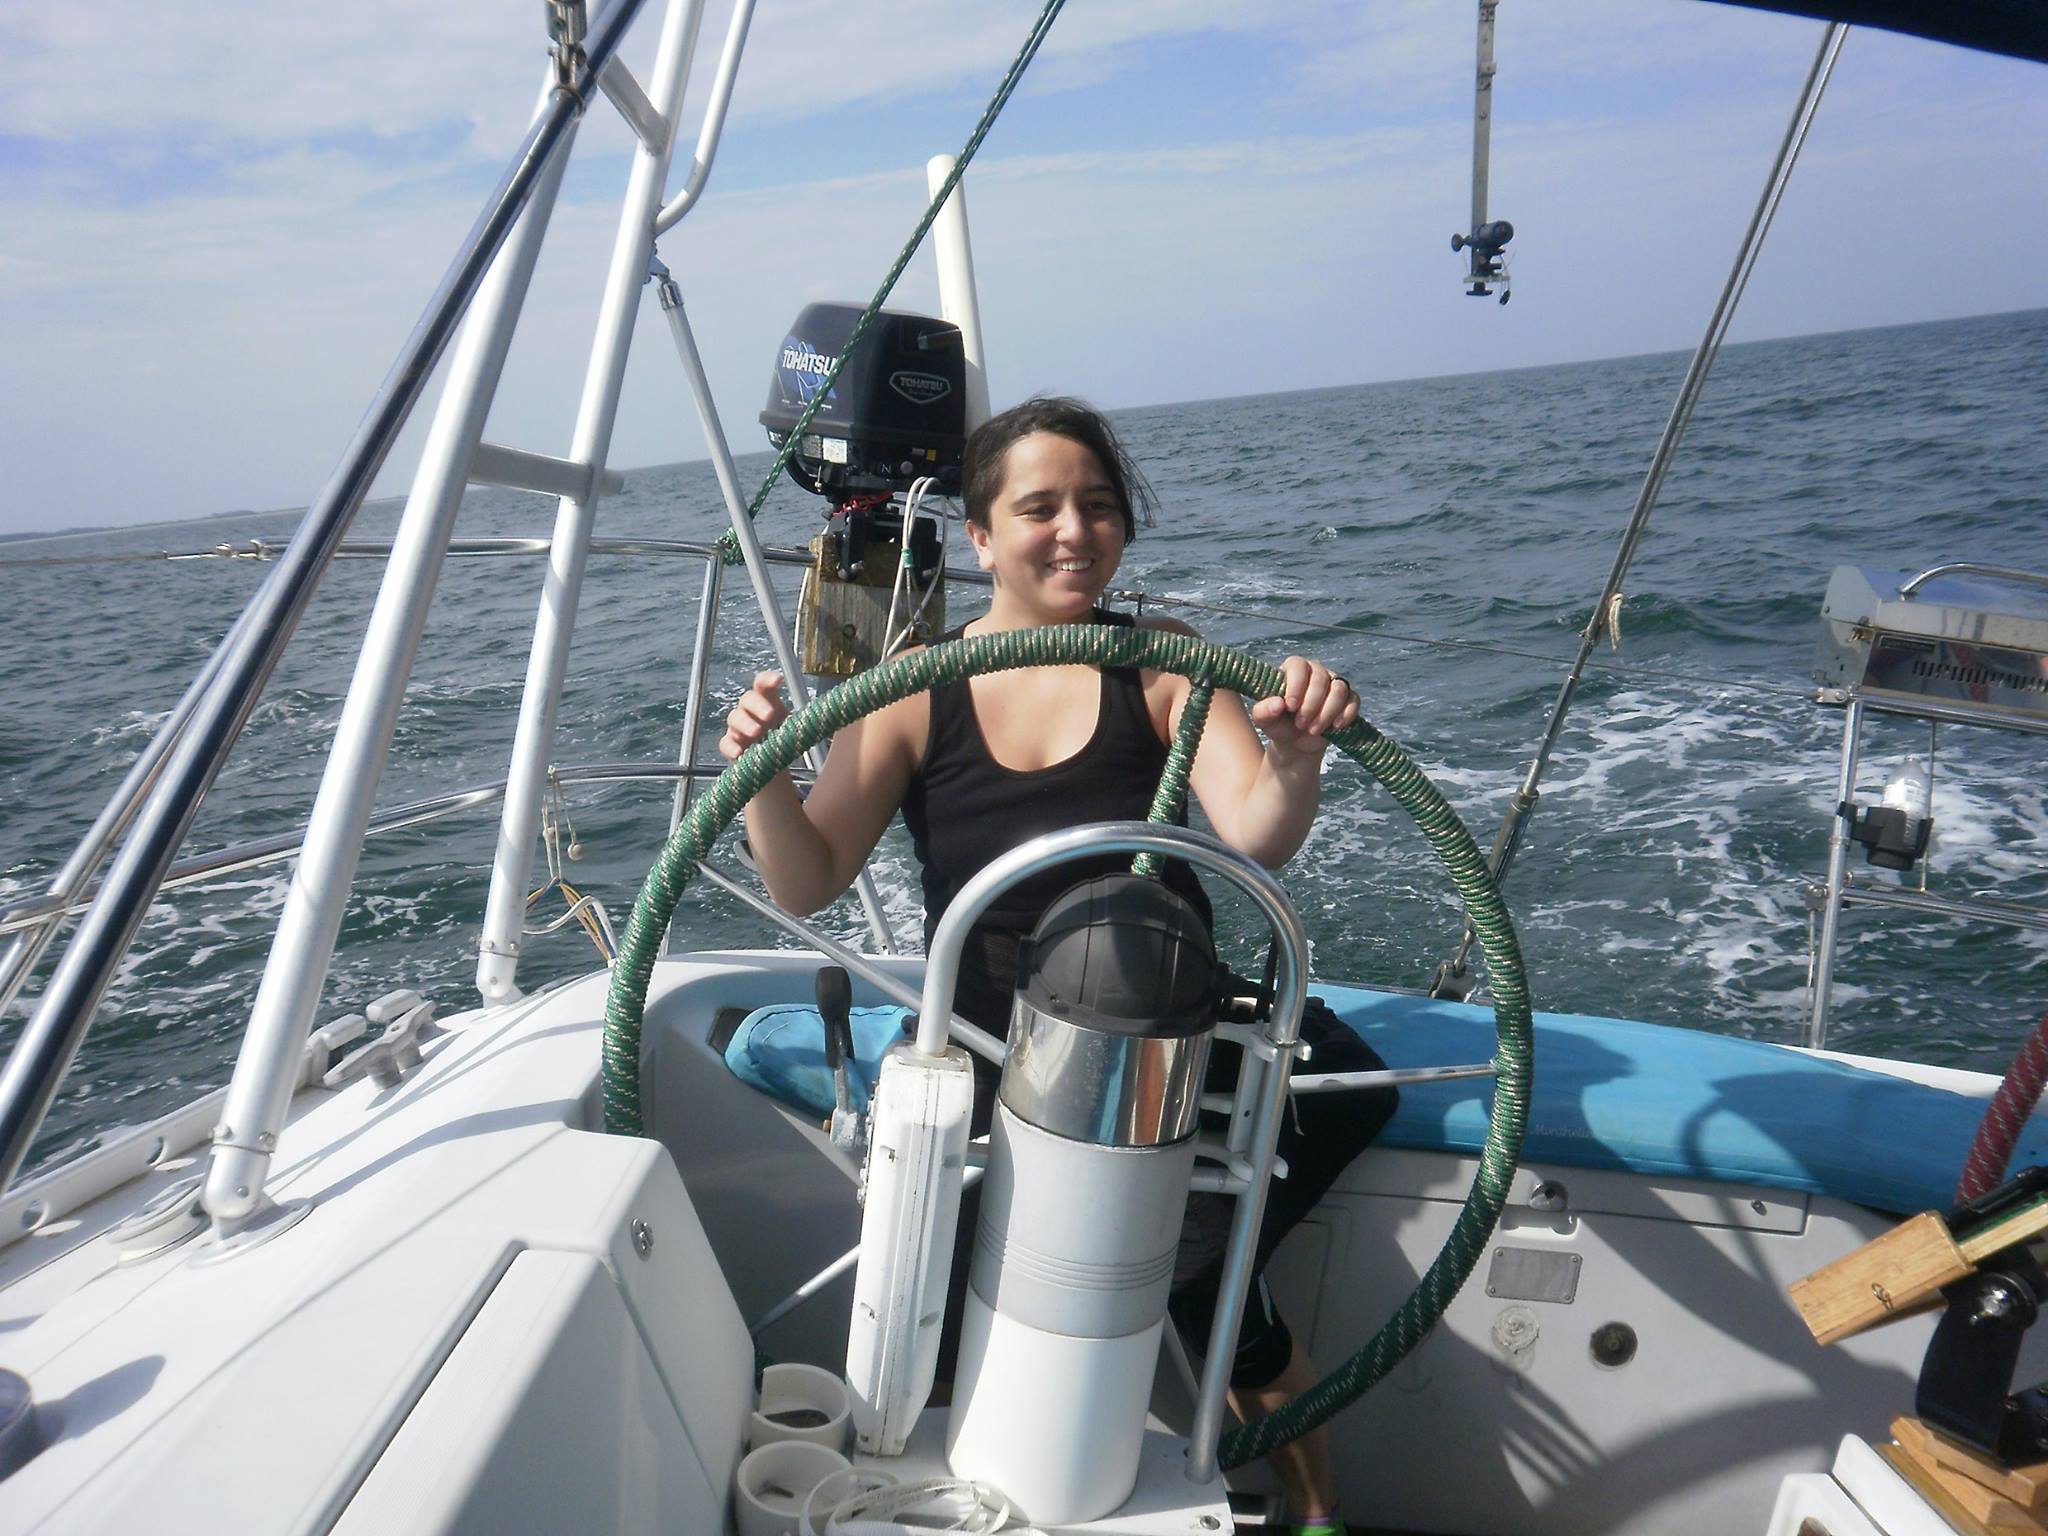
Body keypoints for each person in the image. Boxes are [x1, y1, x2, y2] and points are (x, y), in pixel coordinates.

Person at [720, 396, 1390, 1535]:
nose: (1075, 530)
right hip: (990, 1056)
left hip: (1162, 1053)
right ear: (981, 538)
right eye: (1039, 509)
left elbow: (1258, 830)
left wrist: (1293, 757)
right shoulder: (911, 684)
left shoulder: (1164, 664)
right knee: (937, 1308)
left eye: (1097, 505)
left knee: (1211, 1292)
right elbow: (808, 876)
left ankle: (1316, 1510)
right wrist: (764, 784)